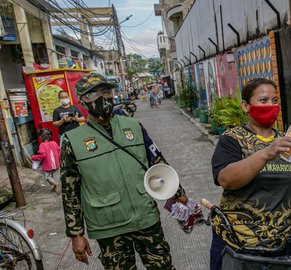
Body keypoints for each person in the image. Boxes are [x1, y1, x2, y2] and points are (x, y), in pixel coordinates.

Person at [60, 73, 193, 269]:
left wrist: (178, 193)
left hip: (145, 216)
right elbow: (69, 191)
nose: (102, 98)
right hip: (108, 226)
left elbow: (157, 161)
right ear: (81, 101)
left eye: (106, 91)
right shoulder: (72, 141)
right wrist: (76, 234)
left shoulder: (134, 126)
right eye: (93, 94)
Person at [210, 78, 291, 270]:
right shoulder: (231, 139)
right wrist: (266, 153)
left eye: (274, 100)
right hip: (238, 245)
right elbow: (226, 179)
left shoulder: (289, 142)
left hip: (284, 244)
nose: (271, 106)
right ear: (246, 106)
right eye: (263, 100)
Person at [31, 128, 60, 193]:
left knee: (48, 177)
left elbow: (42, 155)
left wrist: (34, 157)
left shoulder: (42, 145)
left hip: (48, 165)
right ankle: (55, 186)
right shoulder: (54, 143)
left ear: (41, 137)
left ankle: (56, 185)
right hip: (56, 164)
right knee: (55, 177)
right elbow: (59, 152)